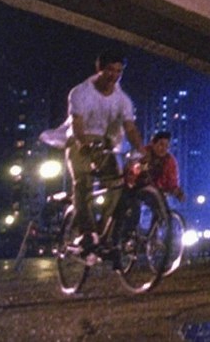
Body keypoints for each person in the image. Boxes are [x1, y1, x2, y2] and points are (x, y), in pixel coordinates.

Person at [65, 50, 145, 262]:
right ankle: (86, 233)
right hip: (80, 140)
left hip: (105, 143)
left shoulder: (122, 99)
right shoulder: (80, 92)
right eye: (110, 70)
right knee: (82, 182)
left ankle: (101, 232)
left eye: (119, 71)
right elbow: (77, 123)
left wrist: (141, 149)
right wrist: (83, 144)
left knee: (118, 184)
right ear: (99, 69)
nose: (114, 75)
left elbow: (130, 127)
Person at [142, 131, 184, 201]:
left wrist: (178, 193)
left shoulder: (170, 161)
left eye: (166, 146)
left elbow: (172, 183)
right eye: (161, 144)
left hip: (158, 194)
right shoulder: (142, 154)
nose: (164, 148)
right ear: (153, 144)